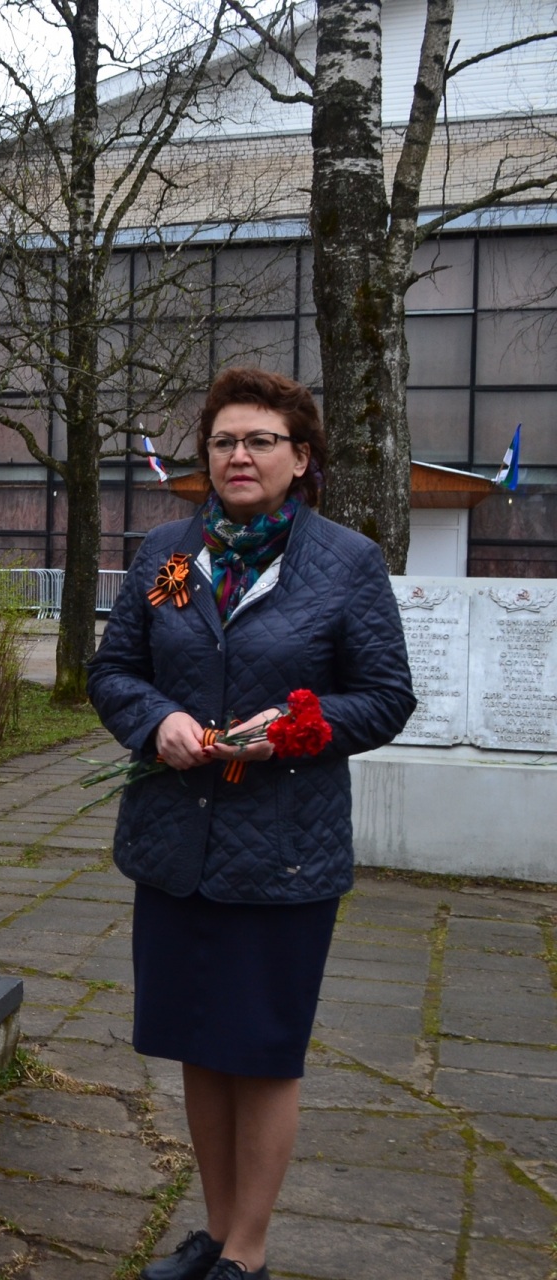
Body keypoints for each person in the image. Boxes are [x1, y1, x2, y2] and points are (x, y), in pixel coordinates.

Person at [88, 368, 416, 1280]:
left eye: (261, 441)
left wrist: (299, 729)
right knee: (199, 1043)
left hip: (283, 852)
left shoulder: (346, 561)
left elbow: (386, 698)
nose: (240, 456)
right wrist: (158, 720)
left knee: (262, 1051)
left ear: (300, 459)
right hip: (176, 843)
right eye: (225, 441)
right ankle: (215, 1229)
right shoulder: (166, 552)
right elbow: (113, 671)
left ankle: (249, 1250)